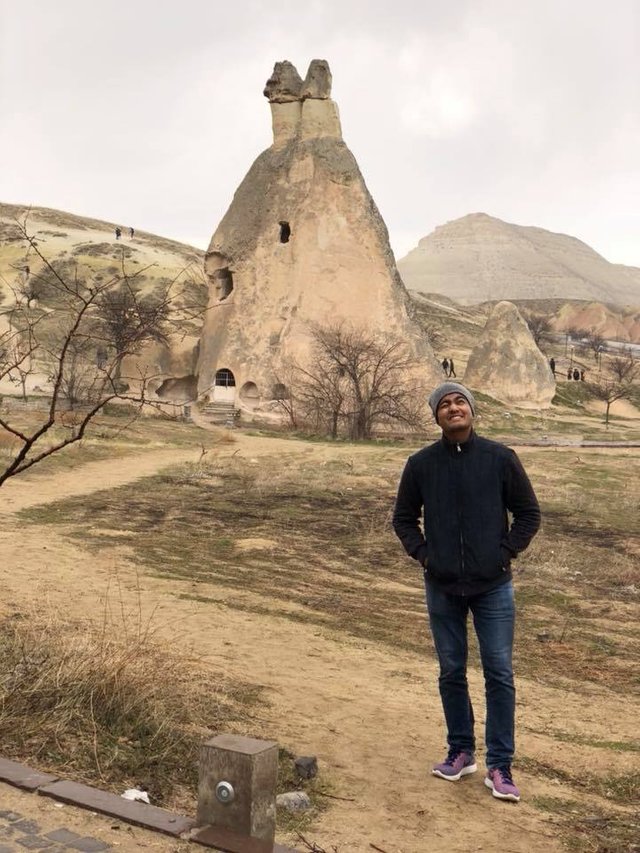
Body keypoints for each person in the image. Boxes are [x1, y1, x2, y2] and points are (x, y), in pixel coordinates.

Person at [392, 382, 541, 803]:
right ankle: (461, 751)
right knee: (451, 671)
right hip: (441, 586)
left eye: (460, 402)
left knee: (499, 674)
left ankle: (500, 766)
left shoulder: (500, 459)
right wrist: (425, 556)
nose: (453, 408)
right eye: (444, 404)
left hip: (493, 586)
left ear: (472, 411)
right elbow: (403, 519)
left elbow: (528, 513)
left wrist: (505, 553)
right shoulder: (421, 464)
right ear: (436, 417)